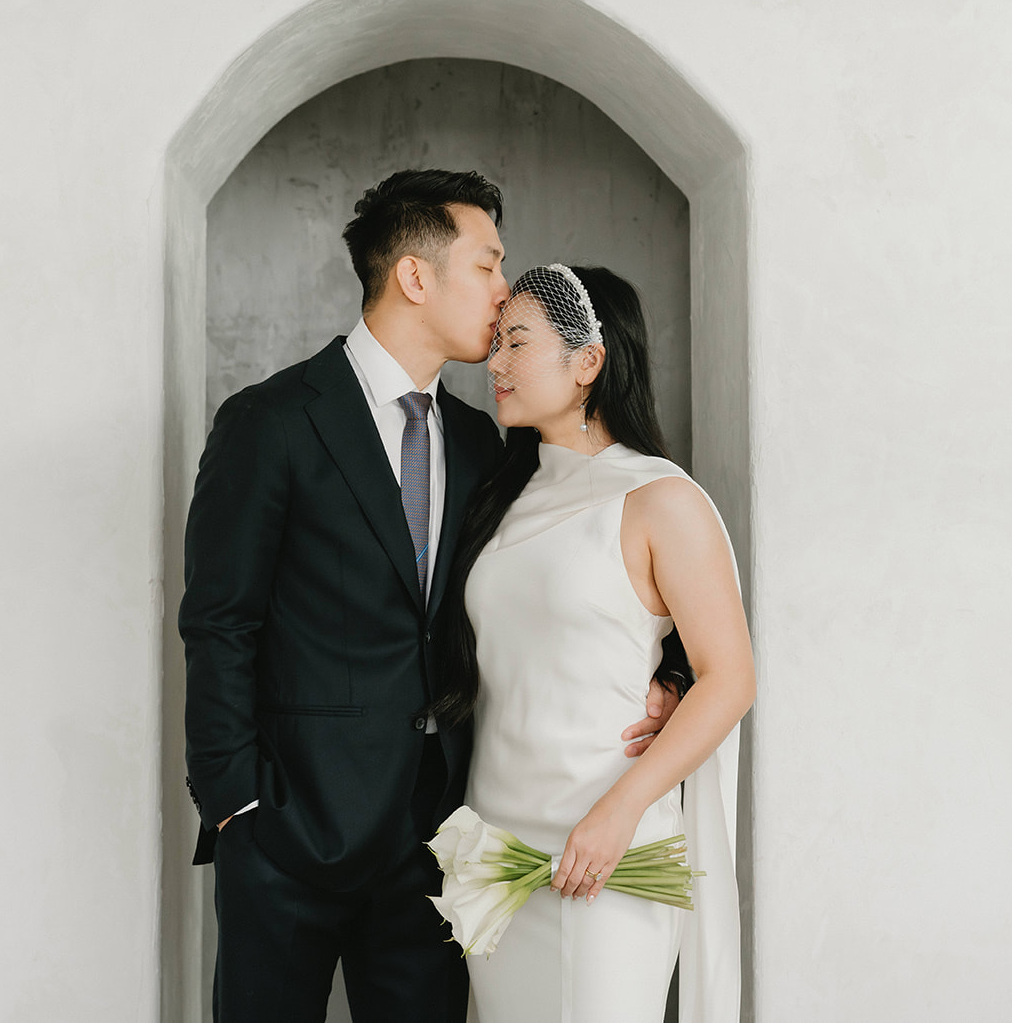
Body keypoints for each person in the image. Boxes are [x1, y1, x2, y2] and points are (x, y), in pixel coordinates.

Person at [179, 171, 691, 1022]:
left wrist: (667, 669)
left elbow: (571, 566)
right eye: (489, 265)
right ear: (416, 277)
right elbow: (219, 621)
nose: (503, 292)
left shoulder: (476, 437)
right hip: (287, 835)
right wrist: (237, 804)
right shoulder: (269, 422)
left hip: (436, 846)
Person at [430, 264, 756, 1023]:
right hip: (499, 847)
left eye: (517, 341)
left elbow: (730, 676)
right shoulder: (501, 498)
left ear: (588, 362)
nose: (494, 363)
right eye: (496, 341)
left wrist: (619, 811)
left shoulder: (658, 497)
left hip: (610, 847)